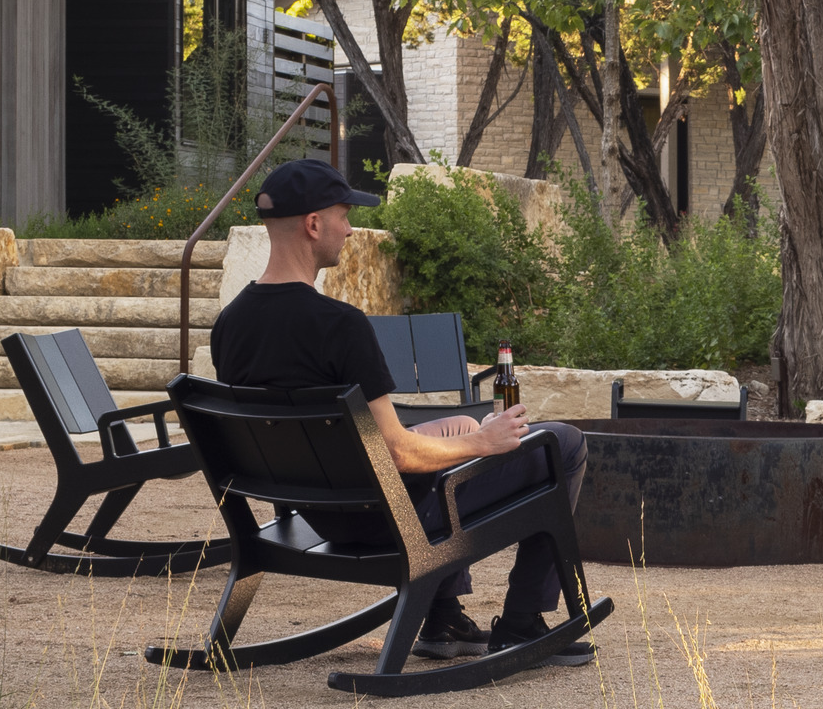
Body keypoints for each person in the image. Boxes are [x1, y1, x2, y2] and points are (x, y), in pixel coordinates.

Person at [211, 157, 600, 664]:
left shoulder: (230, 325)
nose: (350, 229)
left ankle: (441, 620)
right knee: (561, 443)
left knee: (455, 425)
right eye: (343, 215)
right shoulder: (341, 326)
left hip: (322, 515)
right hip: (390, 524)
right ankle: (524, 621)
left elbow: (352, 441)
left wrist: (463, 434)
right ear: (313, 224)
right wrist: (483, 443)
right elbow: (394, 451)